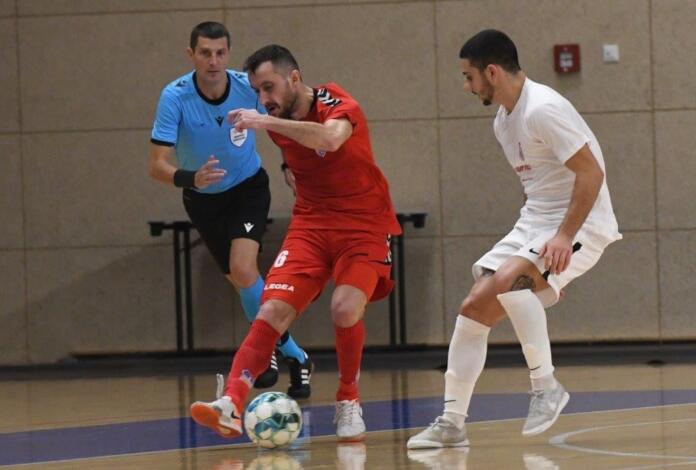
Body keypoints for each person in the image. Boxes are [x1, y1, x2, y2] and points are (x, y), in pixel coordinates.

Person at [407, 29, 621, 449]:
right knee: (473, 307)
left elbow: (592, 173)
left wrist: (563, 236)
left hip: (581, 223)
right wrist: (533, 235)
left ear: (491, 72)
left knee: (509, 281)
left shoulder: (543, 108)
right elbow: (537, 184)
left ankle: (546, 386)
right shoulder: (503, 120)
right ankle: (452, 422)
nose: (467, 86)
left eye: (469, 77)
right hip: (536, 222)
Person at [189, 44, 402, 441]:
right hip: (312, 223)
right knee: (271, 309)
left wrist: (264, 123)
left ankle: (348, 399)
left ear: (295, 79)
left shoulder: (338, 104)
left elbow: (331, 139)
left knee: (344, 307)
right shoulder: (276, 116)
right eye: (257, 91)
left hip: (364, 224)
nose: (264, 99)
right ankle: (231, 403)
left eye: (269, 87)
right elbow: (302, 153)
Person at [148, 23, 312, 399]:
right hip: (202, 198)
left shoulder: (245, 87)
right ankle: (297, 355)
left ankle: (265, 349)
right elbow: (156, 164)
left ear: (229, 53)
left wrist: (289, 166)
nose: (213, 60)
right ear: (191, 54)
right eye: (205, 53)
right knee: (243, 281)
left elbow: (278, 125)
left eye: (220, 52)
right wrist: (191, 177)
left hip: (247, 189)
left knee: (243, 268)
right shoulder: (175, 96)